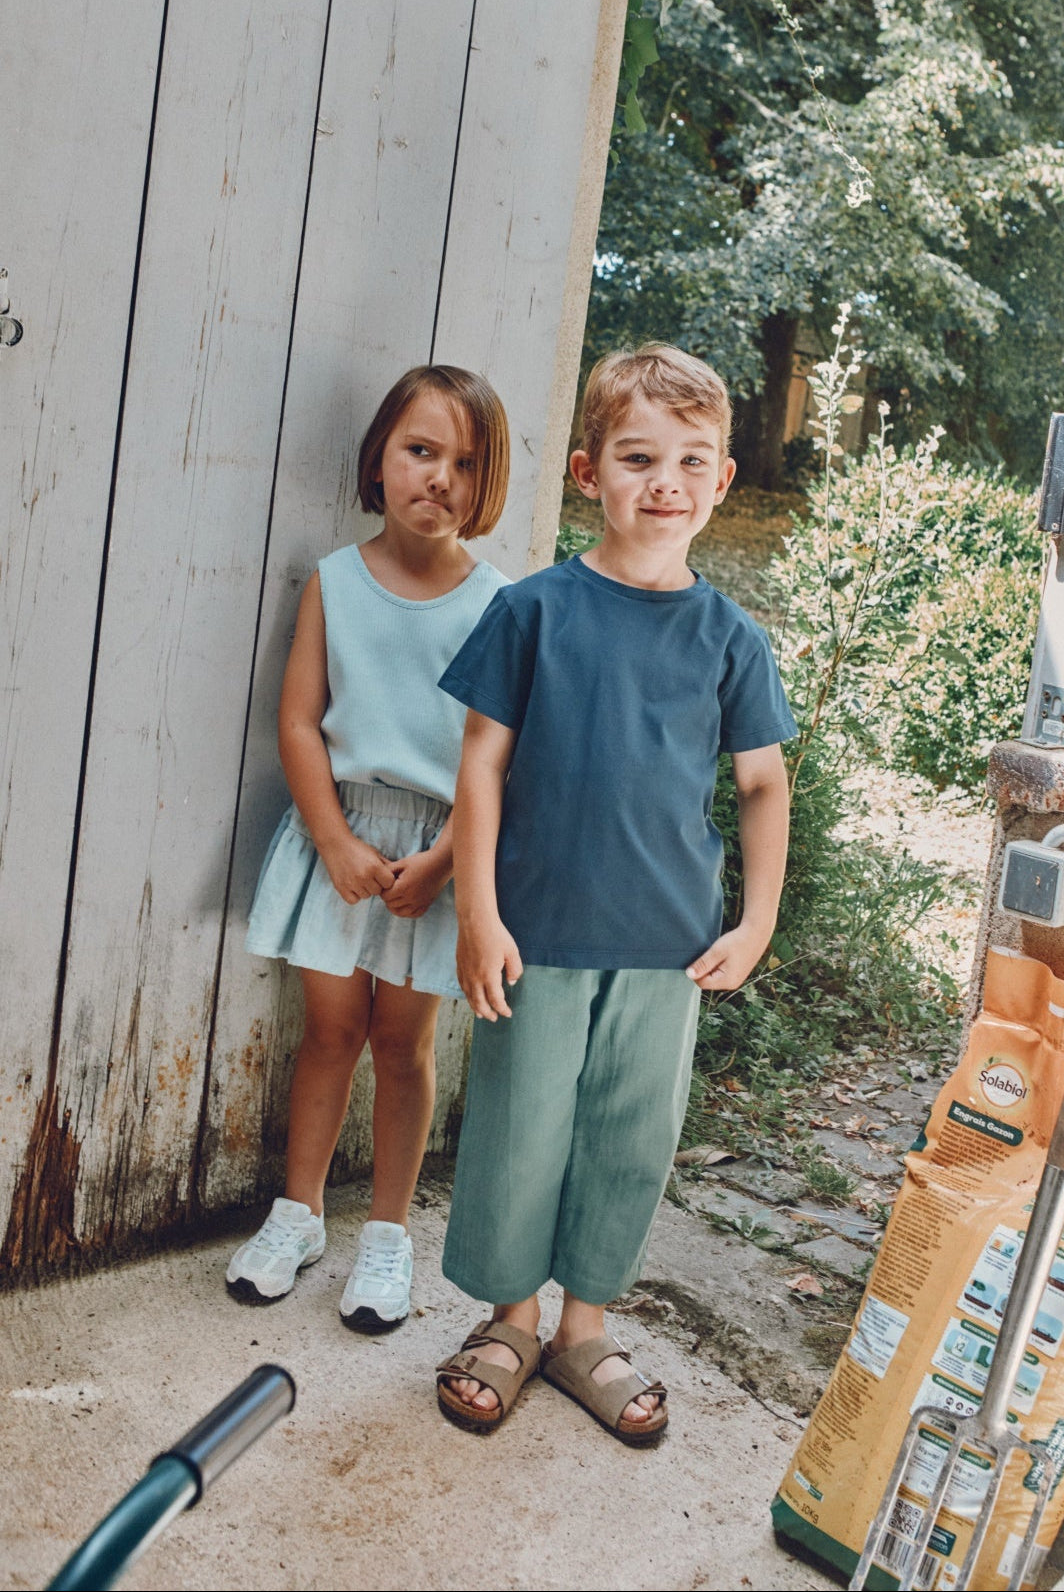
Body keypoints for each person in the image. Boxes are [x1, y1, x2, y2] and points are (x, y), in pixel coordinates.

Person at [433, 343, 796, 1441]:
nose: (665, 482)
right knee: (520, 1129)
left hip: (667, 944)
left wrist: (757, 920)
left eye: (691, 460)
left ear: (721, 479)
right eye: (638, 457)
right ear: (589, 473)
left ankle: (582, 1329)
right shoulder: (533, 612)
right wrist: (476, 910)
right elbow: (481, 766)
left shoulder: (730, 639)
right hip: (535, 931)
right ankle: (511, 1322)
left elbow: (762, 783)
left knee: (628, 1138)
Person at [227, 364, 510, 1329]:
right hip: (340, 838)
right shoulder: (336, 582)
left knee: (403, 1043)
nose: (439, 478)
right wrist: (334, 840)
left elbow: (497, 759)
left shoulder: (499, 606)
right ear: (379, 460)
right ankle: (297, 1215)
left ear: (486, 484)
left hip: (438, 850)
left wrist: (445, 863)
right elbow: (299, 723)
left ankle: (387, 1236)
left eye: (465, 464)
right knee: (331, 1033)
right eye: (420, 451)